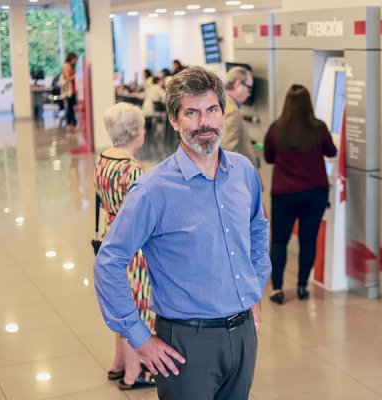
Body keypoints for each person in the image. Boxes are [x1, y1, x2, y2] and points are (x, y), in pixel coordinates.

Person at [94, 66, 271, 400]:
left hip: (244, 331)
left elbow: (258, 228)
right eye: (192, 112)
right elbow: (109, 262)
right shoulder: (151, 190)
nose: (205, 123)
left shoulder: (243, 172)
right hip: (187, 343)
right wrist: (140, 337)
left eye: (212, 110)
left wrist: (255, 290)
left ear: (223, 112)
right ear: (174, 120)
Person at [94, 102, 155, 391]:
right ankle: (134, 372)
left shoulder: (104, 159)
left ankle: (118, 362)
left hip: (110, 236)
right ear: (135, 133)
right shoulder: (131, 169)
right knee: (136, 308)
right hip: (132, 247)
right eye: (142, 128)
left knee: (119, 303)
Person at [263, 84, 337, 304]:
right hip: (315, 193)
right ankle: (302, 286)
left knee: (279, 241)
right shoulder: (318, 128)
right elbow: (331, 152)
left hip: (284, 194)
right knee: (308, 240)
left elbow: (268, 157)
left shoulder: (277, 129)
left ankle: (277, 289)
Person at [220, 67, 257, 168]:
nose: (249, 94)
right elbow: (228, 151)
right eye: (249, 88)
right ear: (237, 84)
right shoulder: (232, 111)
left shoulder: (221, 102)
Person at [60, 52, 78, 131]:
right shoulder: (66, 66)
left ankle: (72, 124)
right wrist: (75, 76)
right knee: (70, 108)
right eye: (74, 59)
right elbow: (67, 78)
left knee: (71, 108)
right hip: (69, 91)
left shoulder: (70, 66)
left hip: (72, 90)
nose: (75, 61)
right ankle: (70, 124)